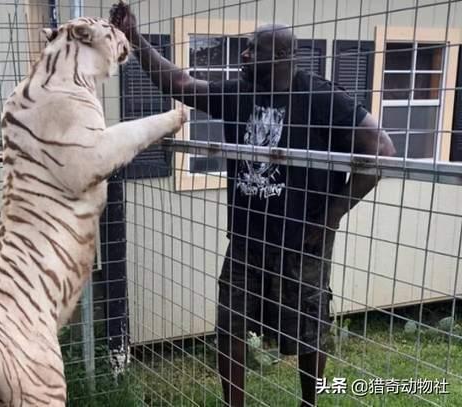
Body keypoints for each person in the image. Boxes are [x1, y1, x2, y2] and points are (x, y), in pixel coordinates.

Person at [110, 2, 396, 406]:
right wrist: (135, 39)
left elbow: (380, 150)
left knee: (308, 327)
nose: (243, 55)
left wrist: (331, 216)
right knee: (230, 326)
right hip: (246, 240)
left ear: (281, 55)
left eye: (252, 49)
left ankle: (309, 402)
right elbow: (179, 85)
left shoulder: (322, 98)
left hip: (302, 242)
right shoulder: (240, 92)